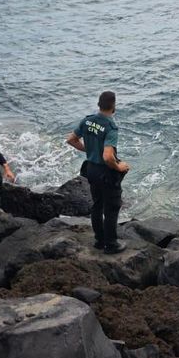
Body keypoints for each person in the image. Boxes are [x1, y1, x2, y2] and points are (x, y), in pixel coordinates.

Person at [67, 91, 130, 254]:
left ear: (99, 105)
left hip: (91, 170)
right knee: (112, 207)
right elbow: (108, 157)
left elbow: (71, 139)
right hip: (105, 172)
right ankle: (111, 245)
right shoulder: (110, 127)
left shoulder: (87, 121)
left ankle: (99, 241)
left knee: (97, 205)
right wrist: (120, 167)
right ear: (113, 106)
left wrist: (89, 150)